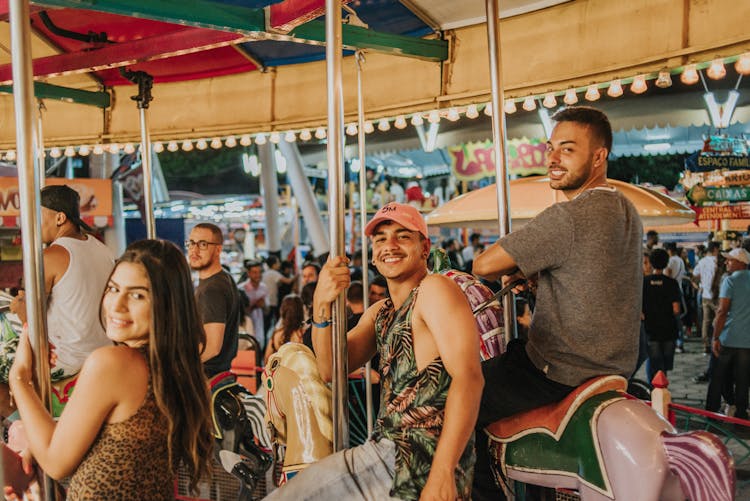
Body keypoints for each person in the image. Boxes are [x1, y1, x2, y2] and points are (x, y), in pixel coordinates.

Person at [471, 106, 642, 499]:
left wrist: (520, 262)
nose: (552, 159)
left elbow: (485, 264)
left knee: (454, 401)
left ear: (598, 157)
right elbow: (592, 280)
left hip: (557, 369)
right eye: (551, 148)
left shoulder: (568, 216)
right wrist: (537, 281)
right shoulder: (625, 210)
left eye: (567, 149)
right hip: (616, 365)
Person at [267, 202, 482, 500]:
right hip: (383, 449)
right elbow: (330, 369)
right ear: (372, 254)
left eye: (402, 236)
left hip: (417, 458)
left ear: (425, 248)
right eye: (380, 239)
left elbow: (469, 378)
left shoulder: (435, 290)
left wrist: (443, 471)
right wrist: (321, 304)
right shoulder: (381, 312)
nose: (389, 245)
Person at [8, 239, 213, 499]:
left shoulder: (114, 363)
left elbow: (56, 463)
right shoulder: (176, 366)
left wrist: (20, 377)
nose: (117, 305)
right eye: (113, 289)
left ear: (167, 304)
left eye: (137, 295)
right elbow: (115, 452)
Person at [5, 185, 115, 415]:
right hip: (103, 351)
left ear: (60, 218)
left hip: (66, 360)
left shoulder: (50, 256)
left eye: (39, 216)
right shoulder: (102, 249)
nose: (34, 223)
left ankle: (17, 424)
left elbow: (31, 322)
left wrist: (18, 308)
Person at [188, 223, 241, 377]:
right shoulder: (224, 278)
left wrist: (178, 365)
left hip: (206, 376)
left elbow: (212, 347)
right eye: (191, 243)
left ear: (218, 249)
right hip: (218, 373)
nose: (194, 250)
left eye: (203, 245)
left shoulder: (211, 290)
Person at [705, 248, 750, 419]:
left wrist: (715, 336)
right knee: (743, 379)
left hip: (728, 337)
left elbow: (722, 310)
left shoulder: (730, 281)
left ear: (740, 262)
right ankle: (740, 412)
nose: (726, 262)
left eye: (730, 260)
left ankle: (711, 411)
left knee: (717, 376)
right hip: (747, 340)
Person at [642, 249, 681, 382]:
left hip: (650, 329)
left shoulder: (644, 282)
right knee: (664, 364)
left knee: (653, 362)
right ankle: (662, 390)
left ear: (651, 263)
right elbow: (676, 309)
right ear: (666, 263)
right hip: (668, 329)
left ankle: (651, 391)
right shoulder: (672, 283)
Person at [693, 241, 721, 357]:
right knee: (718, 320)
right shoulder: (717, 262)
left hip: (705, 295)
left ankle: (706, 346)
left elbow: (695, 275)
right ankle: (717, 342)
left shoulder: (702, 261)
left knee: (706, 321)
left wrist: (701, 286)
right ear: (715, 249)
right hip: (716, 296)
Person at [263, 295, 305, 364]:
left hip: (279, 373)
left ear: (282, 311)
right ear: (301, 312)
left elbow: (267, 360)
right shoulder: (303, 335)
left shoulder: (276, 334)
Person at [262, 255, 297, 333]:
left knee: (266, 324)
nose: (279, 264)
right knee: (273, 322)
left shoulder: (266, 273)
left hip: (266, 301)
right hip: (272, 301)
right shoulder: (274, 273)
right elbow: (288, 281)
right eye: (277, 262)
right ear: (273, 264)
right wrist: (298, 275)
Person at [239, 260, 268, 348]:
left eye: (260, 272)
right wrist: (254, 305)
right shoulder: (241, 289)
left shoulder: (264, 287)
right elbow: (239, 312)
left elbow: (267, 311)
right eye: (255, 272)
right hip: (245, 331)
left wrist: (263, 306)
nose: (258, 275)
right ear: (248, 273)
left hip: (260, 328)